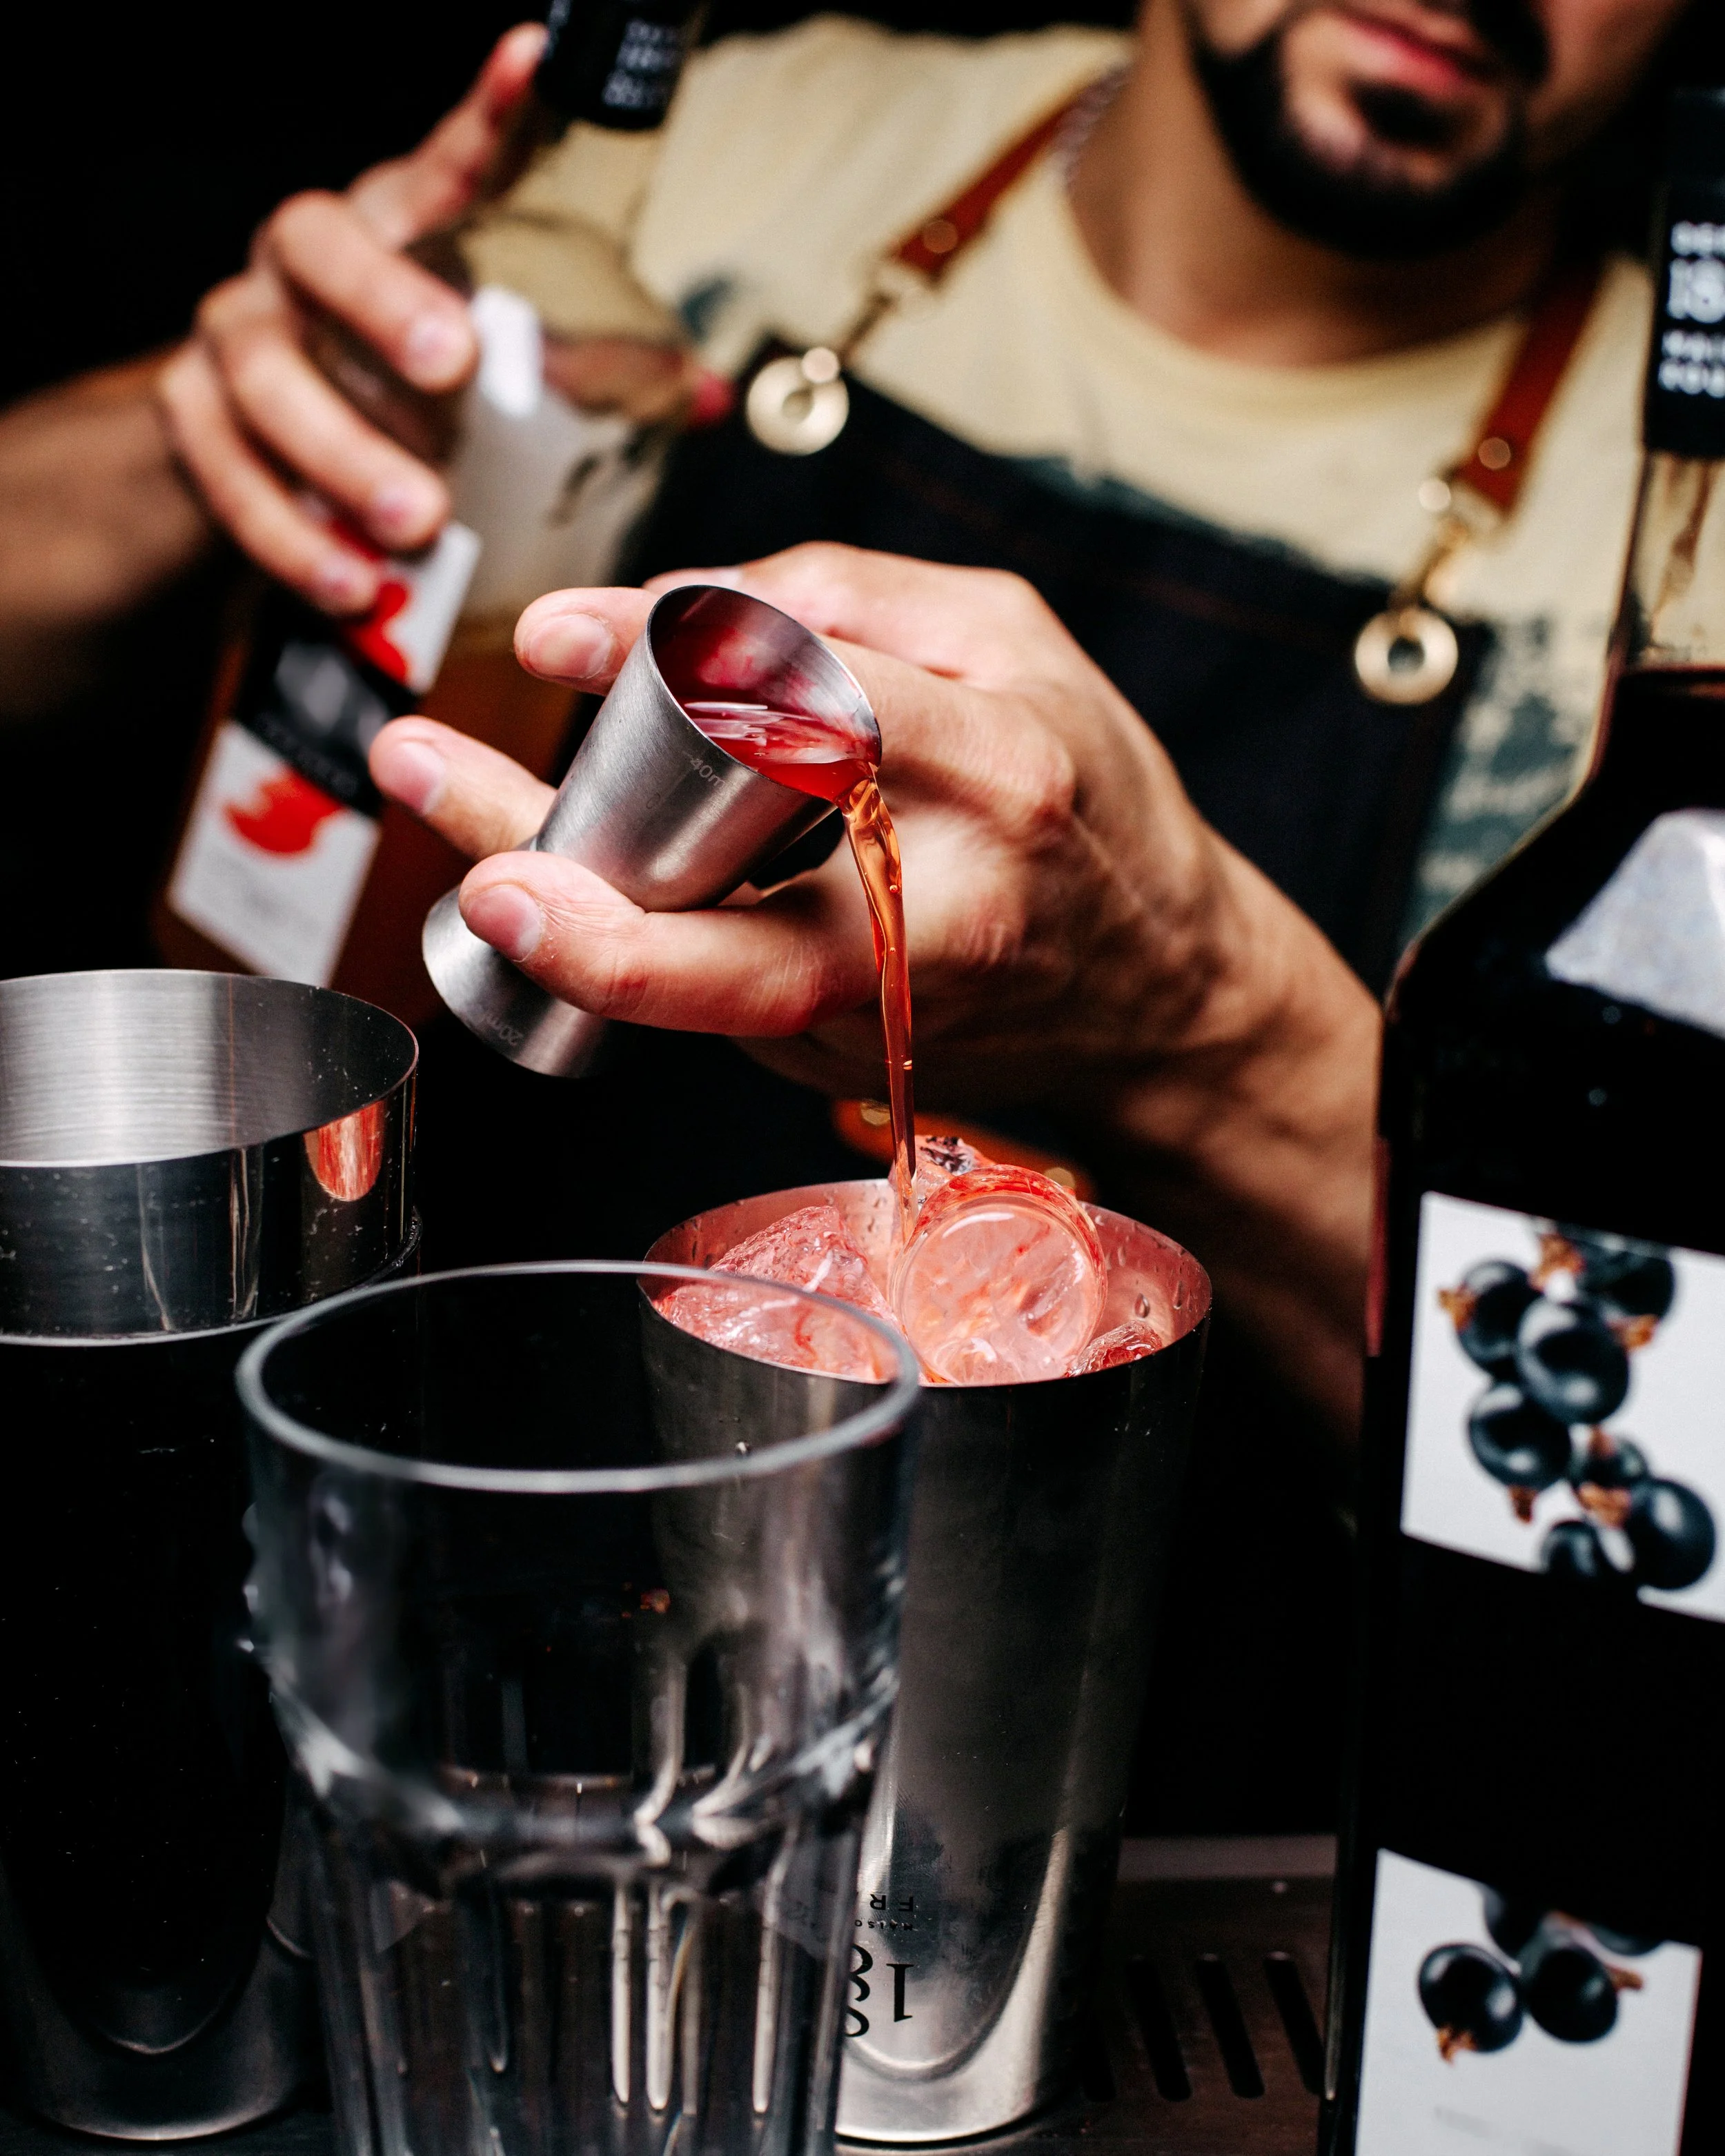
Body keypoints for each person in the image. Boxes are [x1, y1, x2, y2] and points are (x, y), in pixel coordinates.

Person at [154, 0, 1717, 1826]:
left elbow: (1669, 1487)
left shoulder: (1680, 548)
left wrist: (1202, 1023)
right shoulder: (725, 166)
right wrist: (194, 444)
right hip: (403, 1652)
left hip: (1121, 1821)